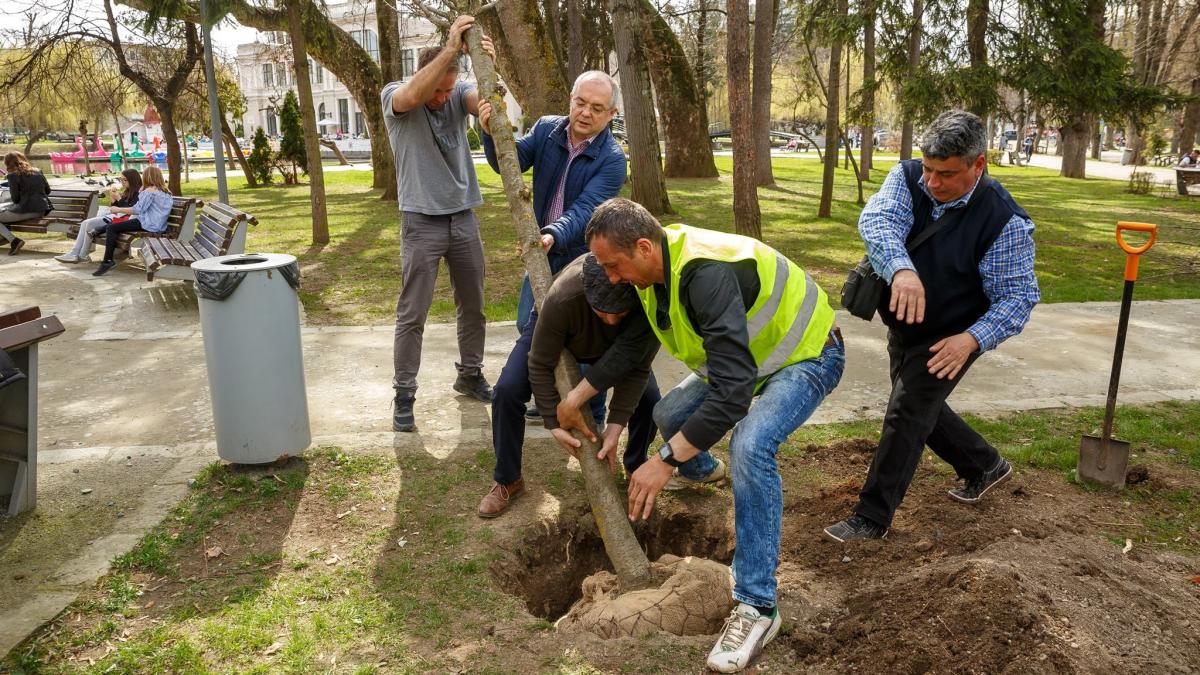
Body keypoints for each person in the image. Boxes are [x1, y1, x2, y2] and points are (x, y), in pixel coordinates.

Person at [582, 198, 845, 673]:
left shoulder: (705, 273)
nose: (612, 279)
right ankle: (706, 469)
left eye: (615, 266)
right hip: (749, 364)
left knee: (750, 445)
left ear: (643, 246)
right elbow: (638, 356)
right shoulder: (651, 272)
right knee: (669, 413)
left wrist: (664, 461)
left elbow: (733, 394)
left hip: (808, 355)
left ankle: (758, 606)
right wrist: (616, 422)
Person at [824, 110, 1040, 544]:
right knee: (921, 408)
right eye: (928, 169)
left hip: (954, 335)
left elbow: (1018, 298)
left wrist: (971, 340)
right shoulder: (906, 178)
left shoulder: (1004, 222)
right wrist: (902, 271)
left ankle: (872, 517)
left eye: (947, 173)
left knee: (906, 412)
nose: (933, 182)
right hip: (905, 322)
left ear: (979, 164)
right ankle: (984, 465)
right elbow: (879, 222)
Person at [478, 69, 627, 424]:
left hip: (583, 260)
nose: (585, 112)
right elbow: (508, 163)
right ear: (570, 100)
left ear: (610, 115)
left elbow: (585, 210)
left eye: (596, 107)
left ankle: (594, 411)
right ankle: (557, 392)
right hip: (542, 251)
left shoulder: (612, 160)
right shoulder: (547, 129)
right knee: (528, 325)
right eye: (580, 102)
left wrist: (551, 234)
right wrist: (489, 133)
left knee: (588, 344)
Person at [380, 15, 497, 432]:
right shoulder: (397, 95)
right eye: (438, 89)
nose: (441, 98)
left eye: (448, 89)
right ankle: (405, 393)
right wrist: (451, 48)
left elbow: (474, 97)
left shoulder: (454, 91)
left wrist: (486, 72)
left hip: (462, 216)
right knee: (413, 313)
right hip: (420, 221)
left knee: (475, 307)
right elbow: (413, 96)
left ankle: (469, 374)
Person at [478, 254, 661, 517]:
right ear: (588, 296)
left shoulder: (642, 296)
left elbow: (637, 368)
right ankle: (508, 479)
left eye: (618, 313)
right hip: (557, 331)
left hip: (618, 348)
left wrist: (615, 425)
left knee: (650, 399)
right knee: (507, 391)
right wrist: (553, 421)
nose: (611, 320)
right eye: (603, 312)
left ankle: (635, 466)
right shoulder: (563, 297)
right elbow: (539, 363)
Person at [91, 166, 173, 277]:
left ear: (147, 177)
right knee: (115, 225)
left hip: (148, 224)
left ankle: (108, 261)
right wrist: (141, 191)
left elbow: (137, 210)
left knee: (112, 227)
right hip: (158, 224)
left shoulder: (149, 191)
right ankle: (98, 233)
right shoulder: (166, 192)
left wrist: (118, 209)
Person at [56, 168, 141, 264]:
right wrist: (114, 200)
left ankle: (82, 255)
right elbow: (118, 208)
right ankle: (75, 253)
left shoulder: (139, 193)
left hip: (122, 221)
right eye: (121, 179)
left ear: (132, 179)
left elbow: (131, 210)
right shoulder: (127, 191)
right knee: (85, 223)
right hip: (115, 218)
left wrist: (118, 198)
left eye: (124, 180)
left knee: (89, 224)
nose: (122, 182)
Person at [0, 151, 52, 255]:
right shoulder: (37, 171)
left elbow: (15, 199)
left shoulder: (12, 176)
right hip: (42, 210)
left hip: (26, 211)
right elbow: (48, 191)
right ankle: (4, 238)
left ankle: (13, 240)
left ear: (8, 163)